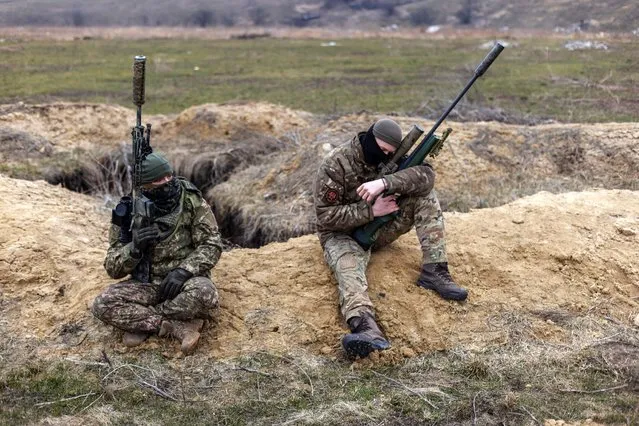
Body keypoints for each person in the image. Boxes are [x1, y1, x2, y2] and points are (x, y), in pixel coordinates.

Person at [314, 118, 467, 358]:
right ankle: (365, 327)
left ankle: (435, 271)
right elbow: (325, 217)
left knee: (424, 195)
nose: (384, 155)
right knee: (348, 267)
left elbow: (426, 177)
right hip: (342, 235)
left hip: (380, 228)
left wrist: (385, 182)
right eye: (382, 150)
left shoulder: (391, 159)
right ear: (369, 140)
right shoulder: (336, 163)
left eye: (389, 152)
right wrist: (371, 210)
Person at [92, 152, 222, 355]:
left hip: (182, 283)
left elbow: (211, 244)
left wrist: (183, 271)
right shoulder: (128, 211)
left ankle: (140, 322)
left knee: (206, 294)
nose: (167, 182)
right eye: (159, 180)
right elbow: (112, 268)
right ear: (145, 186)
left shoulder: (190, 201)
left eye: (169, 176)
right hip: (145, 283)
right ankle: (170, 326)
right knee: (103, 303)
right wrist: (134, 248)